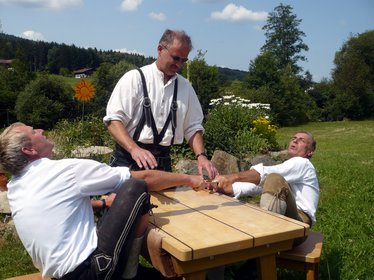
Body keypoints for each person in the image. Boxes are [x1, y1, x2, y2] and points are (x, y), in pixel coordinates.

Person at [0, 122, 208, 280]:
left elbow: (49, 209)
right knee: (135, 187)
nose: (41, 131)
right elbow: (143, 178)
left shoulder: (16, 185)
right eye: (34, 131)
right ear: (29, 150)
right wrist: (191, 179)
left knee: (124, 196)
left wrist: (100, 204)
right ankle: (129, 273)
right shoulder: (63, 170)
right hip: (91, 271)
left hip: (60, 275)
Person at [104, 28, 218, 179]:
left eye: (184, 60)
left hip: (163, 164)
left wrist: (201, 155)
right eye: (176, 58)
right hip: (127, 159)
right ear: (160, 49)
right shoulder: (135, 78)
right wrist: (134, 149)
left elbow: (193, 126)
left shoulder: (185, 87)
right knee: (119, 202)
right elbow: (113, 120)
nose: (179, 65)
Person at [210, 131, 319, 231]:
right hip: (290, 219)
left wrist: (232, 177)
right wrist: (229, 188)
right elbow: (262, 185)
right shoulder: (291, 167)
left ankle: (266, 235)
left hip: (300, 224)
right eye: (294, 138)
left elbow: (268, 175)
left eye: (302, 140)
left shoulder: (303, 164)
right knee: (243, 211)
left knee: (274, 178)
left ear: (309, 152)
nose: (295, 140)